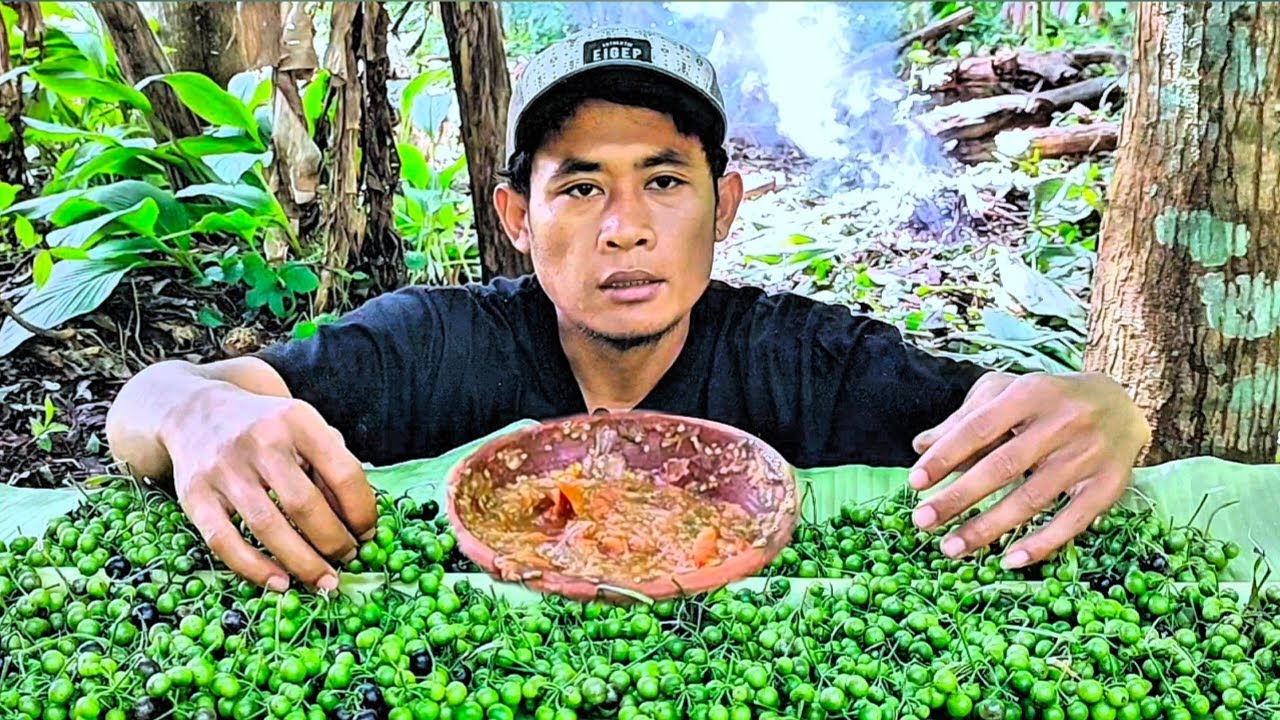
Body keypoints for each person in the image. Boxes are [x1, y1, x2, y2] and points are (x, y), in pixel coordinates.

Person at [104, 27, 1150, 593]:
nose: (623, 228)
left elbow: (1016, 417)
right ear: (516, 214)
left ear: (722, 207)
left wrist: (1104, 408)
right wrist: (193, 415)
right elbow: (162, 401)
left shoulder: (808, 362)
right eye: (578, 187)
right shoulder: (431, 346)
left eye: (662, 181)